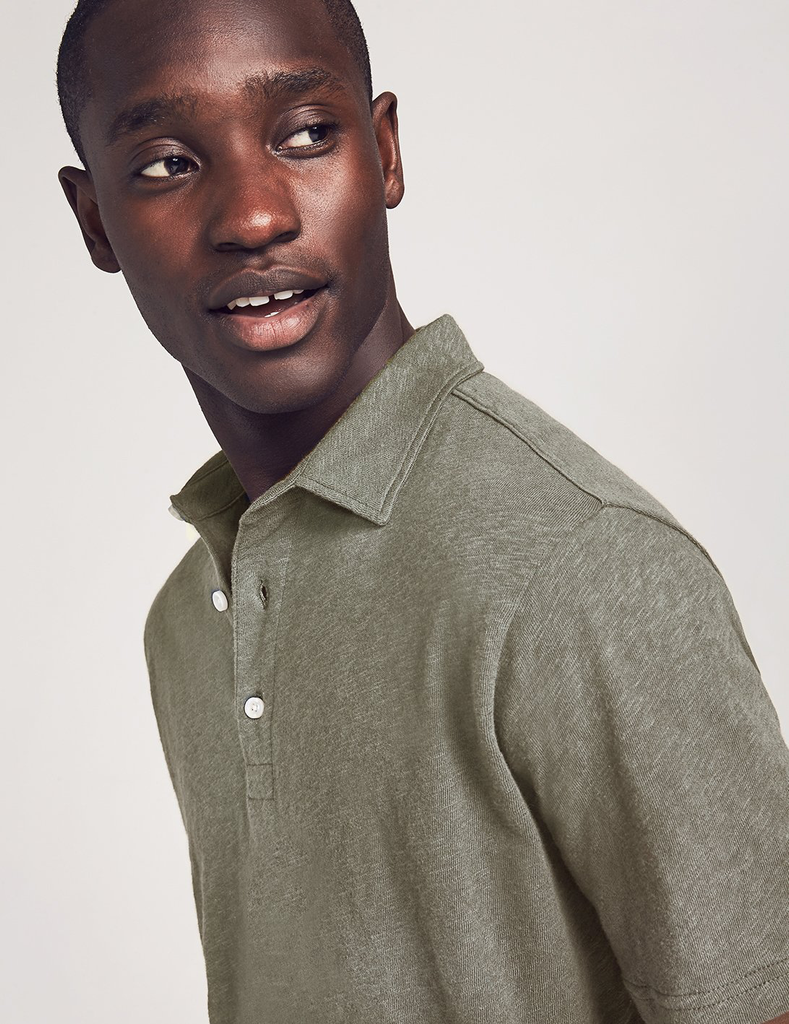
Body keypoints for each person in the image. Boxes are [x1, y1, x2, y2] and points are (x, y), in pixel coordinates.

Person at [55, 0, 789, 1021]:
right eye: (167, 163)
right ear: (95, 220)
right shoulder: (187, 615)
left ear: (386, 152)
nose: (254, 216)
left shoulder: (580, 562)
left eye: (305, 133)